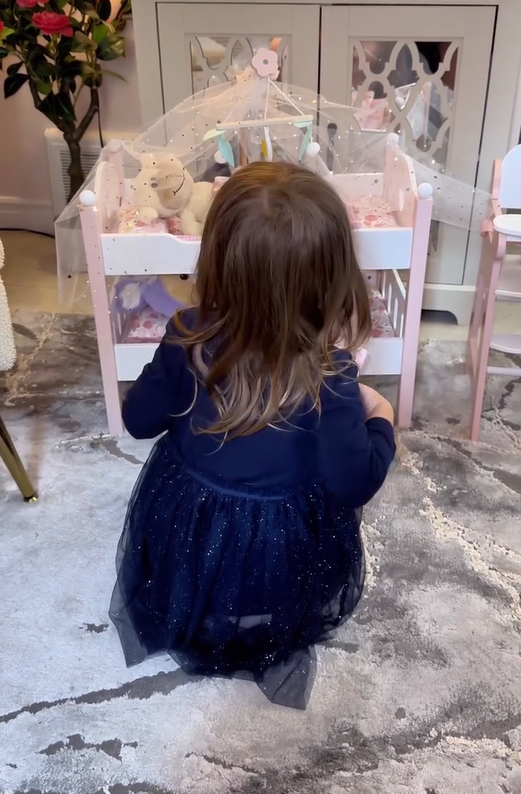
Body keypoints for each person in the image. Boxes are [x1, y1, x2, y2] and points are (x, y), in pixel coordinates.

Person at [109, 161, 396, 710]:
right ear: (331, 274)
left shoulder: (187, 334)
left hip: (191, 525)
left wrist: (172, 382)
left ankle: (208, 604)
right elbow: (355, 482)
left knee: (200, 526)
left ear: (218, 256)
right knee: (310, 533)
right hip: (278, 543)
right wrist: (381, 417)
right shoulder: (331, 374)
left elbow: (140, 421)